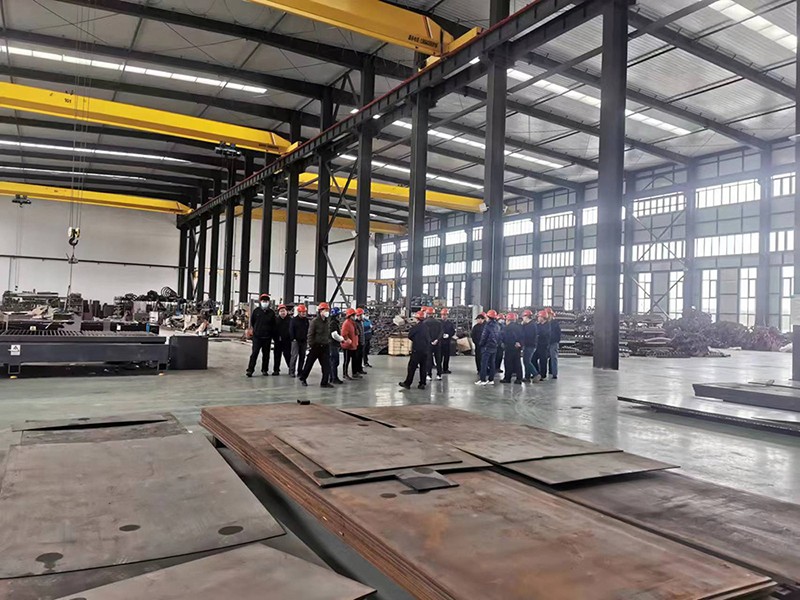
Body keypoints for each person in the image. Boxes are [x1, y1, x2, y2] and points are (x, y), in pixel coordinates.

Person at [299, 302, 338, 388]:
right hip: (316, 346)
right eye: (325, 310)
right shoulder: (315, 321)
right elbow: (310, 334)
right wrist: (311, 345)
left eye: (328, 310)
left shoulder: (327, 321)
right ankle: (303, 378)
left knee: (326, 366)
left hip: (325, 346)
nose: (327, 312)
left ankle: (324, 382)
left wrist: (328, 341)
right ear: (320, 311)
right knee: (309, 364)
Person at [398, 310, 431, 390]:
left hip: (416, 350)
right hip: (425, 350)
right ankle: (422, 383)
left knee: (411, 367)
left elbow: (410, 335)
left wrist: (415, 340)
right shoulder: (426, 327)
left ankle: (407, 383)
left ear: (417, 318)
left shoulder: (416, 327)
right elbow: (428, 338)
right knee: (423, 368)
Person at [246, 293, 276, 377]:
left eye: (266, 301)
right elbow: (253, 322)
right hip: (257, 337)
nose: (265, 302)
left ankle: (264, 370)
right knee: (254, 353)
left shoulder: (271, 313)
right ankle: (250, 370)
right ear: (260, 302)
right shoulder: (256, 311)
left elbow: (273, 325)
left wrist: (271, 335)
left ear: (268, 302)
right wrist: (255, 330)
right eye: (263, 301)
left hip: (267, 337)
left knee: (266, 355)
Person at [476, 310, 501, 385]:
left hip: (486, 347)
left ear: (488, 317)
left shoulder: (487, 326)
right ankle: (491, 380)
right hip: (494, 347)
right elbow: (499, 336)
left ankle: (483, 380)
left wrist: (481, 344)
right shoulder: (497, 325)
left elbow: (484, 337)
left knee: (484, 364)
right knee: (492, 364)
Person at [500, 312, 524, 384]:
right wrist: (520, 343)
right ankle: (519, 378)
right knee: (517, 363)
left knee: (508, 363)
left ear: (508, 320)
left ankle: (507, 378)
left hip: (510, 347)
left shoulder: (507, 328)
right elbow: (523, 336)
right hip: (518, 348)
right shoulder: (520, 326)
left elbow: (507, 338)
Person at [288, 304, 309, 378]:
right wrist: (293, 339)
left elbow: (308, 329)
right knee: (294, 356)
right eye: (302, 312)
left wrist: (307, 338)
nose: (304, 313)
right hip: (295, 341)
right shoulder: (294, 320)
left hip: (303, 341)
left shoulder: (306, 320)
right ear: (299, 312)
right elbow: (291, 330)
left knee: (302, 357)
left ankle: (300, 372)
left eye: (305, 312)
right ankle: (291, 371)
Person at [521, 309, 541, 383]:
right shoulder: (530, 324)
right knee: (526, 361)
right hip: (529, 345)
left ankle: (536, 374)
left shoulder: (531, 325)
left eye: (523, 317)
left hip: (530, 345)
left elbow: (527, 335)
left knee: (527, 361)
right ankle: (527, 377)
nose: (523, 318)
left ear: (527, 317)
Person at [423, 306, 443, 380]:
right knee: (438, 359)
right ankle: (439, 374)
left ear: (427, 314)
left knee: (429, 359)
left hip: (429, 344)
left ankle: (429, 375)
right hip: (437, 344)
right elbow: (441, 332)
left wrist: (430, 341)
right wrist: (437, 340)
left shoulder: (425, 323)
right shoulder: (439, 322)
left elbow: (425, 333)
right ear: (434, 314)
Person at [340, 308, 360, 380]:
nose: (354, 316)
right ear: (349, 316)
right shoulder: (346, 323)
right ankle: (345, 374)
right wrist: (348, 341)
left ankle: (354, 373)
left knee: (354, 359)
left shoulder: (353, 323)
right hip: (347, 346)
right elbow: (343, 334)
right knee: (347, 360)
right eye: (353, 315)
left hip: (353, 345)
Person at [272, 304, 292, 375]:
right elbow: (273, 330)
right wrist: (275, 338)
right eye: (281, 311)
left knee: (288, 355)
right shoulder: (276, 320)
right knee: (277, 356)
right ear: (278, 312)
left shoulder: (290, 320)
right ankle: (276, 370)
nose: (282, 312)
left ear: (286, 311)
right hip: (278, 341)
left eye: (284, 311)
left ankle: (291, 369)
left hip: (287, 341)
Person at [328, 307, 344, 384]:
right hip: (332, 344)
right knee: (334, 362)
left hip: (333, 344)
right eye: (339, 314)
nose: (340, 316)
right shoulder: (333, 323)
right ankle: (334, 378)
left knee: (333, 362)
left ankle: (332, 377)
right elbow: (334, 335)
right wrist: (342, 339)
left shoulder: (333, 322)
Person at [439, 308, 455, 374]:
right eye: (442, 315)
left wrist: (449, 335)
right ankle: (439, 369)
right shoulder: (438, 323)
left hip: (447, 342)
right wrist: (441, 336)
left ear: (447, 315)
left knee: (446, 356)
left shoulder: (450, 324)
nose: (444, 316)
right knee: (439, 357)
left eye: (445, 315)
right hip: (440, 342)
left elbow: (453, 331)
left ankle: (445, 369)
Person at [535, 310, 551, 379]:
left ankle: (542, 375)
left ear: (543, 317)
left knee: (543, 360)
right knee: (533, 359)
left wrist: (538, 334)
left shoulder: (547, 325)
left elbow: (543, 333)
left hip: (544, 345)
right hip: (537, 345)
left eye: (539, 317)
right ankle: (536, 373)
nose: (538, 318)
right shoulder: (538, 325)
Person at [547, 308, 561, 379]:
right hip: (546, 343)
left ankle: (554, 373)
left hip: (553, 343)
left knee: (553, 357)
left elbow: (558, 334)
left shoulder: (555, 323)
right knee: (543, 358)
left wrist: (556, 341)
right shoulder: (545, 323)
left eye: (549, 314)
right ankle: (543, 373)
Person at [353, 308, 367, 376]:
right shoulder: (355, 323)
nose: (362, 316)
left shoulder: (361, 322)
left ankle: (360, 369)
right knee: (357, 358)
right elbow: (356, 334)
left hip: (361, 342)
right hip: (357, 343)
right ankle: (356, 371)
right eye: (360, 315)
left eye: (362, 315)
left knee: (360, 357)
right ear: (357, 315)